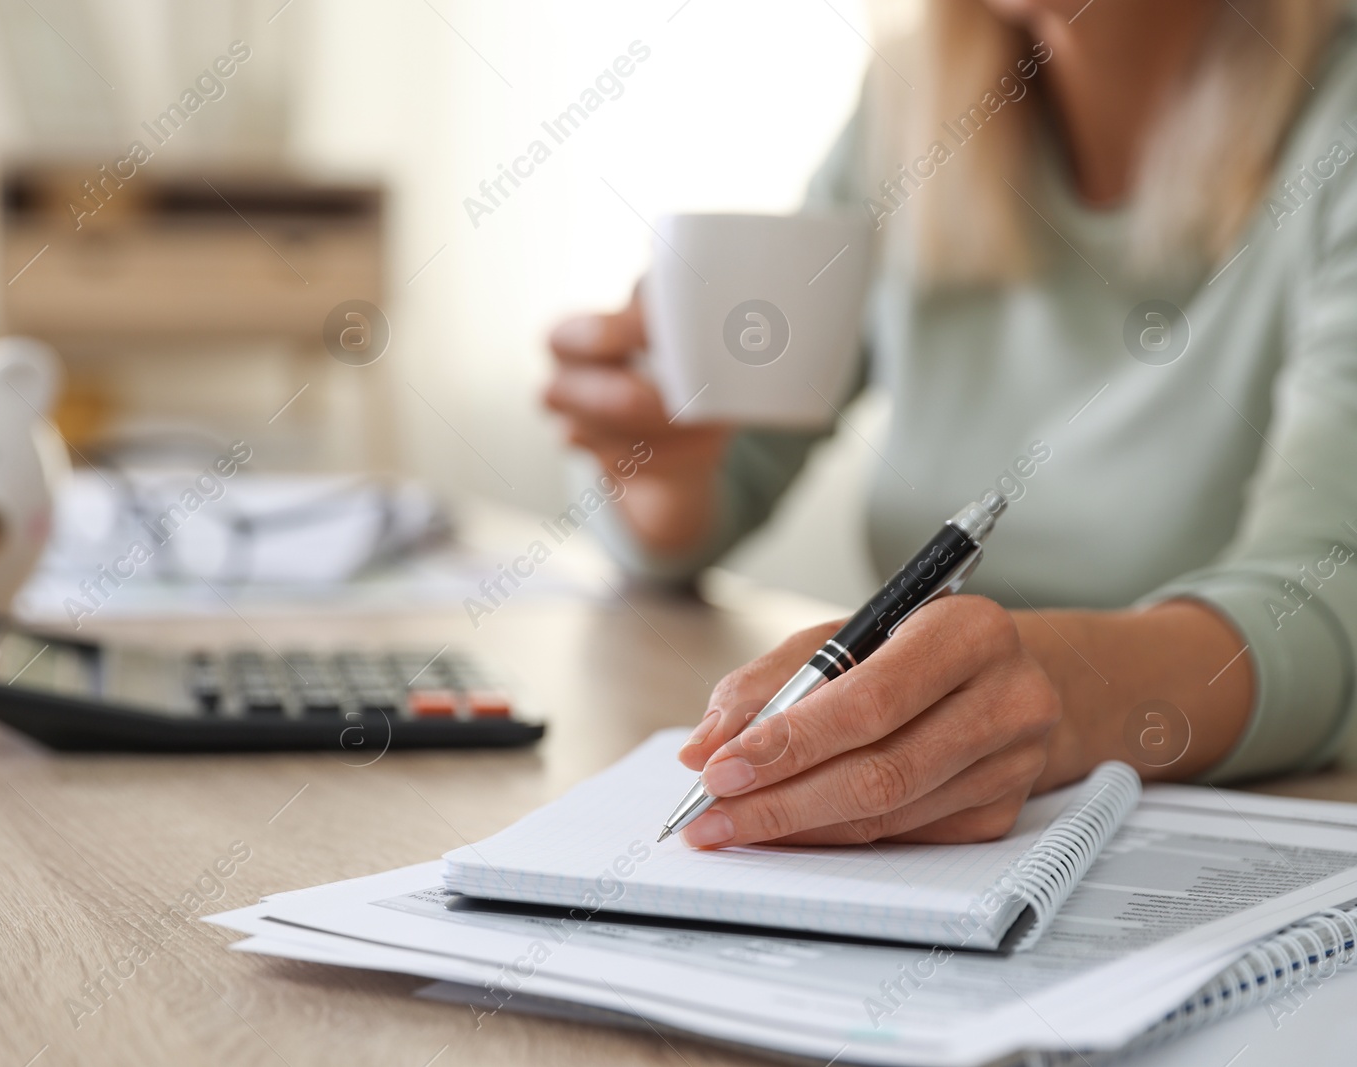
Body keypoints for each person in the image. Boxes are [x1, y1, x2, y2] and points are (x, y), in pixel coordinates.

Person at [544, 0, 1357, 849]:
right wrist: (663, 480)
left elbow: (1329, 590)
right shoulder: (912, 103)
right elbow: (734, 462)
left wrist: (1062, 696)